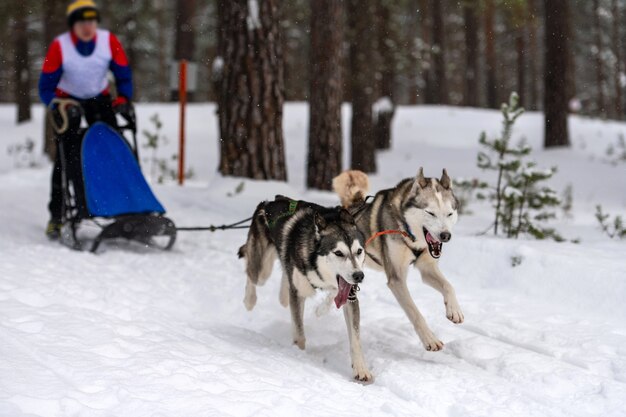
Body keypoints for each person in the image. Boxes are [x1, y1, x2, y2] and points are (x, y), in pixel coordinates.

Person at [39, 0, 135, 239]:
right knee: (66, 158)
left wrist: (124, 98)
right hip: (67, 103)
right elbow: (45, 88)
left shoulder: (108, 41)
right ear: (73, 25)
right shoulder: (60, 46)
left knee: (114, 151)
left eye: (91, 21)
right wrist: (57, 104)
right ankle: (58, 215)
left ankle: (124, 209)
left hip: (99, 102)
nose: (87, 27)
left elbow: (123, 74)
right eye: (82, 22)